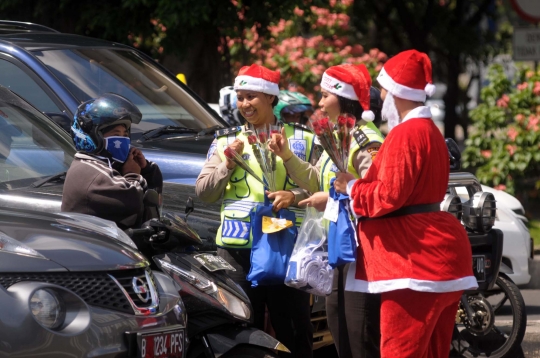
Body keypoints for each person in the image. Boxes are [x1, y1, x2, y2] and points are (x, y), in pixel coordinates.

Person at [334, 50, 477, 358]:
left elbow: (388, 196)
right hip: (437, 256)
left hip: (414, 260)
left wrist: (352, 186)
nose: (381, 96)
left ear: (396, 92)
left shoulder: (406, 133)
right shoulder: (429, 131)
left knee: (400, 352)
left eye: (384, 89)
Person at [195, 64, 316, 358]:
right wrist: (227, 164)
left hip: (285, 247)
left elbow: (320, 188)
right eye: (240, 97)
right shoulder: (225, 141)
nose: (245, 105)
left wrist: (293, 195)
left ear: (271, 98)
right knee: (238, 329)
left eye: (252, 97)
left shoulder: (302, 140)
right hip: (238, 251)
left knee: (293, 329)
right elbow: (204, 192)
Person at [269, 64, 384, 358]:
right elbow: (316, 180)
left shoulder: (366, 142)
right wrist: (286, 157)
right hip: (337, 249)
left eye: (324, 96)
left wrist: (330, 202)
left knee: (360, 339)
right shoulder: (337, 136)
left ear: (342, 98)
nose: (319, 104)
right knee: (340, 333)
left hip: (362, 253)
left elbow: (378, 198)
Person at [62, 93, 163, 229]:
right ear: (94, 136)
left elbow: (153, 200)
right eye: (116, 135)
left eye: (125, 135)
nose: (122, 140)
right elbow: (132, 202)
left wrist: (145, 169)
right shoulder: (90, 172)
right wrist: (133, 173)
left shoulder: (108, 166)